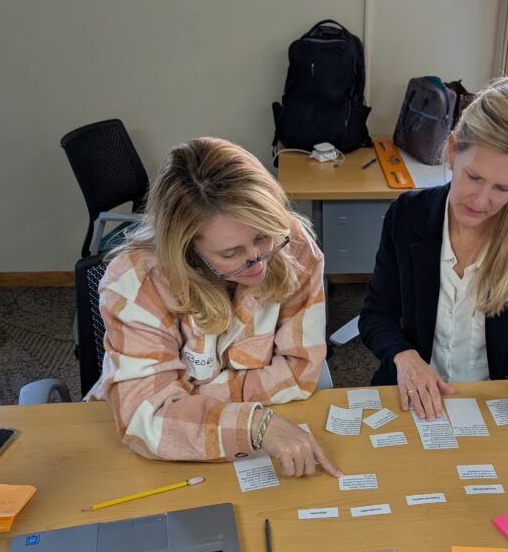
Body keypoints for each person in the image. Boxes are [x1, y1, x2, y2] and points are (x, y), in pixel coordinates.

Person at [89, 137, 341, 478]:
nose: (258, 263)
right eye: (230, 254)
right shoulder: (136, 279)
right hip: (152, 460)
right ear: (186, 250)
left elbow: (299, 372)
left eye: (262, 237)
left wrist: (186, 399)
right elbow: (143, 420)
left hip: (230, 441)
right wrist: (255, 423)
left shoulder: (292, 245)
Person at [359, 78, 508, 420]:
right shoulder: (408, 216)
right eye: (474, 177)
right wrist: (404, 357)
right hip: (415, 395)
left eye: (503, 188)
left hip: (501, 404)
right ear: (452, 150)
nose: (481, 201)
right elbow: (377, 315)